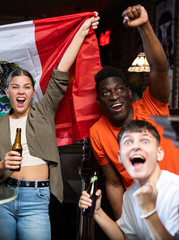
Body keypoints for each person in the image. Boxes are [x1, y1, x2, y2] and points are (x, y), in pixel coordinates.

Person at [0, 13, 99, 240]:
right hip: (2, 196)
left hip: (36, 199)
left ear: (32, 92)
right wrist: (2, 164)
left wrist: (82, 30)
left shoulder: (43, 111)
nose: (20, 91)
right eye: (15, 87)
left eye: (26, 87)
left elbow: (61, 73)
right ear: (7, 93)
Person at [90, 4, 179, 220]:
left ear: (129, 93)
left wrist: (145, 26)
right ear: (99, 101)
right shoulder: (97, 132)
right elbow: (113, 182)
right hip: (143, 210)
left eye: (119, 89)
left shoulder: (152, 105)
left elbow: (159, 67)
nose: (114, 96)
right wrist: (124, 225)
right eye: (106, 93)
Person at [80, 120, 179, 239]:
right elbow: (125, 238)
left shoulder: (176, 190)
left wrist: (149, 211)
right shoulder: (129, 196)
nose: (136, 147)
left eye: (145, 141)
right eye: (128, 142)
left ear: (159, 153)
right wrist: (97, 211)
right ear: (120, 157)